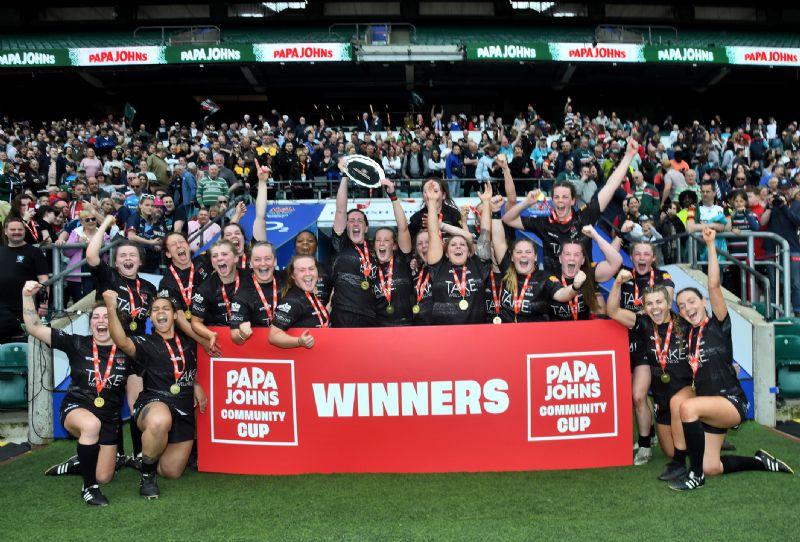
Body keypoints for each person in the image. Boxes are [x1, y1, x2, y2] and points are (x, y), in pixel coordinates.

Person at [669, 228, 794, 491]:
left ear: (703, 302)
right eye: (682, 305)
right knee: (712, 466)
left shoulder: (718, 325)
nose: (688, 308)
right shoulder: (687, 336)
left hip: (731, 402)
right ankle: (761, 462)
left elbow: (714, 285)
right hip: (710, 405)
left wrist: (711, 244)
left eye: (692, 301)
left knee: (687, 409)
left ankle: (694, 476)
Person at [24, 283, 130, 506]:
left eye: (106, 316)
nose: (101, 321)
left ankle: (80, 462)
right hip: (77, 409)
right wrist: (26, 296)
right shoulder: (77, 343)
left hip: (109, 419)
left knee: (105, 476)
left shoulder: (128, 351)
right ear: (90, 323)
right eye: (96, 317)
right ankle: (89, 489)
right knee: (91, 426)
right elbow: (34, 327)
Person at [103, 289, 206, 499]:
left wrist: (195, 384)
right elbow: (121, 340)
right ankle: (147, 476)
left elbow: (185, 369)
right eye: (155, 310)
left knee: (172, 472)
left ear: (175, 315)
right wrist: (111, 308)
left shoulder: (188, 344)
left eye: (166, 309)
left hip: (183, 411)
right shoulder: (145, 343)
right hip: (154, 403)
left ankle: (149, 454)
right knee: (160, 420)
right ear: (150, 317)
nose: (161, 313)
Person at [503, 138, 639, 272]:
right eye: (556, 197)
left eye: (565, 197)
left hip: (583, 285)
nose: (560, 200)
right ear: (552, 200)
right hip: (554, 288)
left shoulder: (585, 216)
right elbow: (508, 219)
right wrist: (526, 203)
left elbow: (610, 185)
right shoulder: (543, 223)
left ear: (573, 200)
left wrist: (628, 156)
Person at [607, 270, 693, 480]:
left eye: (659, 302)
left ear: (668, 302)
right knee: (671, 452)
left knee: (680, 410)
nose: (655, 308)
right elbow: (612, 311)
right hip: (663, 401)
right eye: (649, 304)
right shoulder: (643, 324)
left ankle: (708, 433)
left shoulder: (685, 324)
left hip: (687, 393)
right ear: (644, 307)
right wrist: (617, 283)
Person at [616, 240, 676, 465]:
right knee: (638, 395)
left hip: (652, 341)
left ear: (653, 258)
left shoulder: (663, 276)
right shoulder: (623, 276)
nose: (642, 258)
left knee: (639, 395)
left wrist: (645, 310)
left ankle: (643, 445)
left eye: (646, 254)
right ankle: (649, 435)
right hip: (626, 340)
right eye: (637, 254)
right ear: (632, 257)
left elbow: (666, 300)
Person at [489, 197, 584, 323]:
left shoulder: (544, 278)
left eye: (528, 252)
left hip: (535, 336)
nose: (523, 255)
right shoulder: (507, 268)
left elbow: (561, 295)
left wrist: (575, 287)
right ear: (512, 257)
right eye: (519, 252)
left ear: (535, 257)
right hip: (506, 333)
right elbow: (498, 241)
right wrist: (496, 211)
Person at [426, 181, 492, 325]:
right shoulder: (438, 267)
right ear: (447, 253)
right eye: (453, 245)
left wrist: (486, 203)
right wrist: (431, 202)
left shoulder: (478, 265)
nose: (458, 247)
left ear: (469, 252)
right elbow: (432, 234)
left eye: (462, 245)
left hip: (477, 333)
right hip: (443, 334)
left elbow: (485, 236)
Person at [329, 161, 378, 327]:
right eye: (351, 221)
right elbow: (341, 210)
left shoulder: (376, 251)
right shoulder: (340, 244)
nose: (355, 224)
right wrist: (344, 176)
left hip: (372, 314)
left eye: (359, 221)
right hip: (343, 313)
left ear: (366, 227)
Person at [548, 226, 622, 321]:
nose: (572, 258)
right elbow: (561, 295)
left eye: (576, 255)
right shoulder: (550, 275)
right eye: (567, 254)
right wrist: (575, 287)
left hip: (584, 331)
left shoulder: (588, 272)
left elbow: (616, 262)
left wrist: (595, 236)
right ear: (560, 258)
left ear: (582, 260)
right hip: (555, 332)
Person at [372, 179, 413, 326]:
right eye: (378, 240)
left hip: (407, 325)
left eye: (386, 240)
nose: (382, 243)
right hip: (380, 327)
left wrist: (393, 197)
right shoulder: (369, 269)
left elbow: (403, 228)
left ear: (394, 245)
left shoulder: (403, 260)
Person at [0, 217, 49, 342]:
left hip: (26, 308)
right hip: (2, 310)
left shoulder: (35, 252)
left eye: (20, 229)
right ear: (5, 231)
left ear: (24, 231)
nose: (17, 232)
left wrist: (44, 304)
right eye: (12, 229)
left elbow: (44, 279)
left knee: (23, 343)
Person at [269, 255, 329, 348]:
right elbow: (273, 336)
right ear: (293, 275)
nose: (308, 273)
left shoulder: (308, 294)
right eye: (302, 270)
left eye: (311, 268)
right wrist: (299, 341)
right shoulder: (292, 301)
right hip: (302, 359)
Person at [230, 242, 285, 344]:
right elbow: (234, 335)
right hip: (259, 350)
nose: (263, 263)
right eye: (257, 259)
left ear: (275, 261)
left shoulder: (288, 281)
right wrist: (242, 334)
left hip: (289, 347)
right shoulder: (242, 294)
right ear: (250, 263)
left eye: (268, 258)